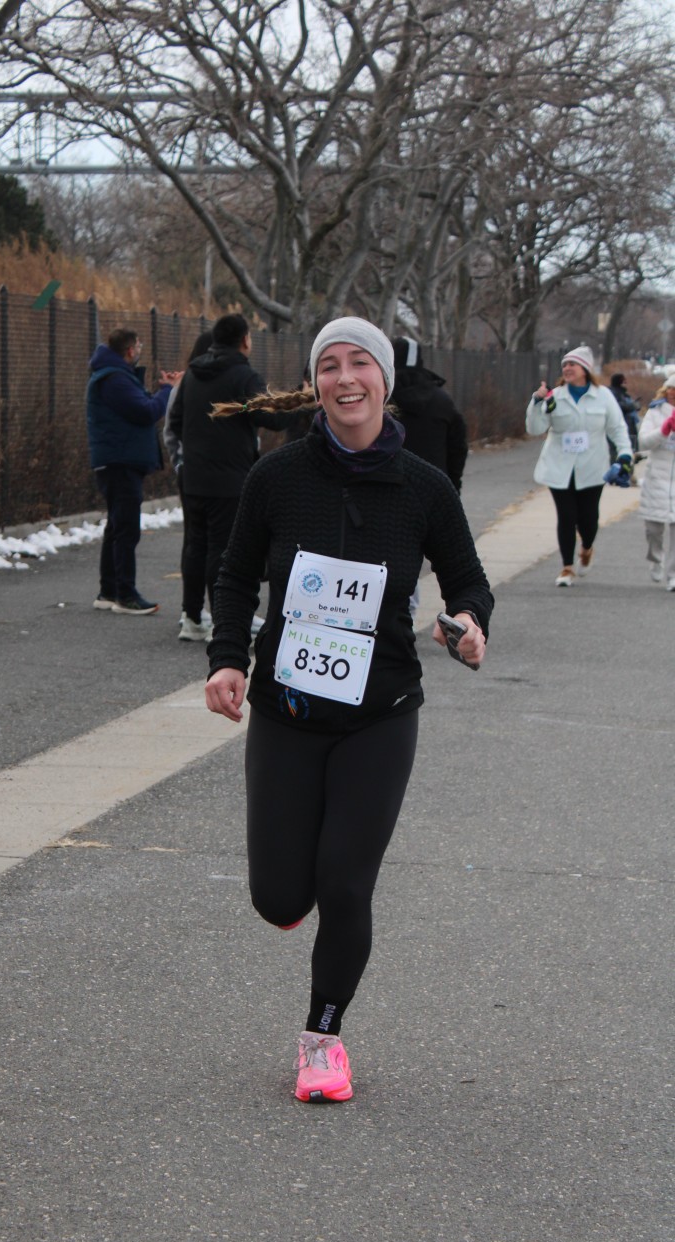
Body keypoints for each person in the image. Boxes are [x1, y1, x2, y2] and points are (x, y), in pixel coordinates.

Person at [204, 316, 493, 1104]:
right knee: (278, 898)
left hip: (381, 713)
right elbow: (234, 576)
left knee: (345, 883)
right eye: (328, 364)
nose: (344, 377)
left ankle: (322, 1040)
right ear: (316, 383)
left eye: (359, 362)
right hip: (287, 710)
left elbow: (468, 582)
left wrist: (469, 625)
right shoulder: (277, 477)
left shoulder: (424, 487)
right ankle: (290, 897)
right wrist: (228, 658)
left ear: (383, 379)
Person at [166, 313, 292, 642]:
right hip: (229, 478)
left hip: (193, 477)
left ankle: (193, 617)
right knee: (222, 551)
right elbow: (272, 417)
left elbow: (175, 421)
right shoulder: (242, 376)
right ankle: (223, 622)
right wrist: (300, 403)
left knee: (196, 547)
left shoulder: (192, 375)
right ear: (245, 340)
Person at [86, 327, 180, 614]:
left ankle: (109, 590)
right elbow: (146, 411)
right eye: (138, 346)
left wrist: (161, 389)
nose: (140, 350)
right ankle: (125, 595)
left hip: (117, 460)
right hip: (120, 462)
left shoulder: (115, 376)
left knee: (117, 526)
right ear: (129, 350)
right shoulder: (114, 379)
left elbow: (138, 405)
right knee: (126, 529)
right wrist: (167, 391)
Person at [526, 346, 632, 587]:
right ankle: (567, 567)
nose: (567, 368)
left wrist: (625, 454)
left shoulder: (603, 396)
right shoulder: (555, 396)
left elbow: (617, 428)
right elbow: (535, 428)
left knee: (588, 518)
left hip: (592, 466)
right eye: (564, 365)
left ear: (585, 369)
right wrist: (537, 402)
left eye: (572, 364)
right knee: (566, 516)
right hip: (559, 467)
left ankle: (586, 548)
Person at [163, 328, 214, 639]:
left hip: (190, 472)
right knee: (216, 543)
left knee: (194, 541)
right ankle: (213, 613)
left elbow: (170, 429)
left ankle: (191, 611)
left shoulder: (185, 383)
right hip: (215, 475)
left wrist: (179, 462)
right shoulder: (226, 381)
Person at [391, 338, 469, 492]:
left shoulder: (381, 399)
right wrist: (452, 486)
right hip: (434, 489)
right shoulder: (442, 401)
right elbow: (458, 447)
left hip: (387, 490)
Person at [636, 374, 675, 590]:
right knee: (653, 530)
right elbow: (643, 442)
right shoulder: (655, 412)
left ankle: (673, 575)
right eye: (671, 388)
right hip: (657, 478)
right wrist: (664, 430)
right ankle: (655, 559)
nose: (673, 393)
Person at [608, 372, 641, 460]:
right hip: (622, 423)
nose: (625, 382)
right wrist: (632, 406)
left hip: (629, 423)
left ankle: (632, 454)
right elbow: (617, 406)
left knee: (629, 445)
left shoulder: (622, 393)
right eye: (624, 380)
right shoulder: (612, 393)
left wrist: (635, 405)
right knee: (618, 449)